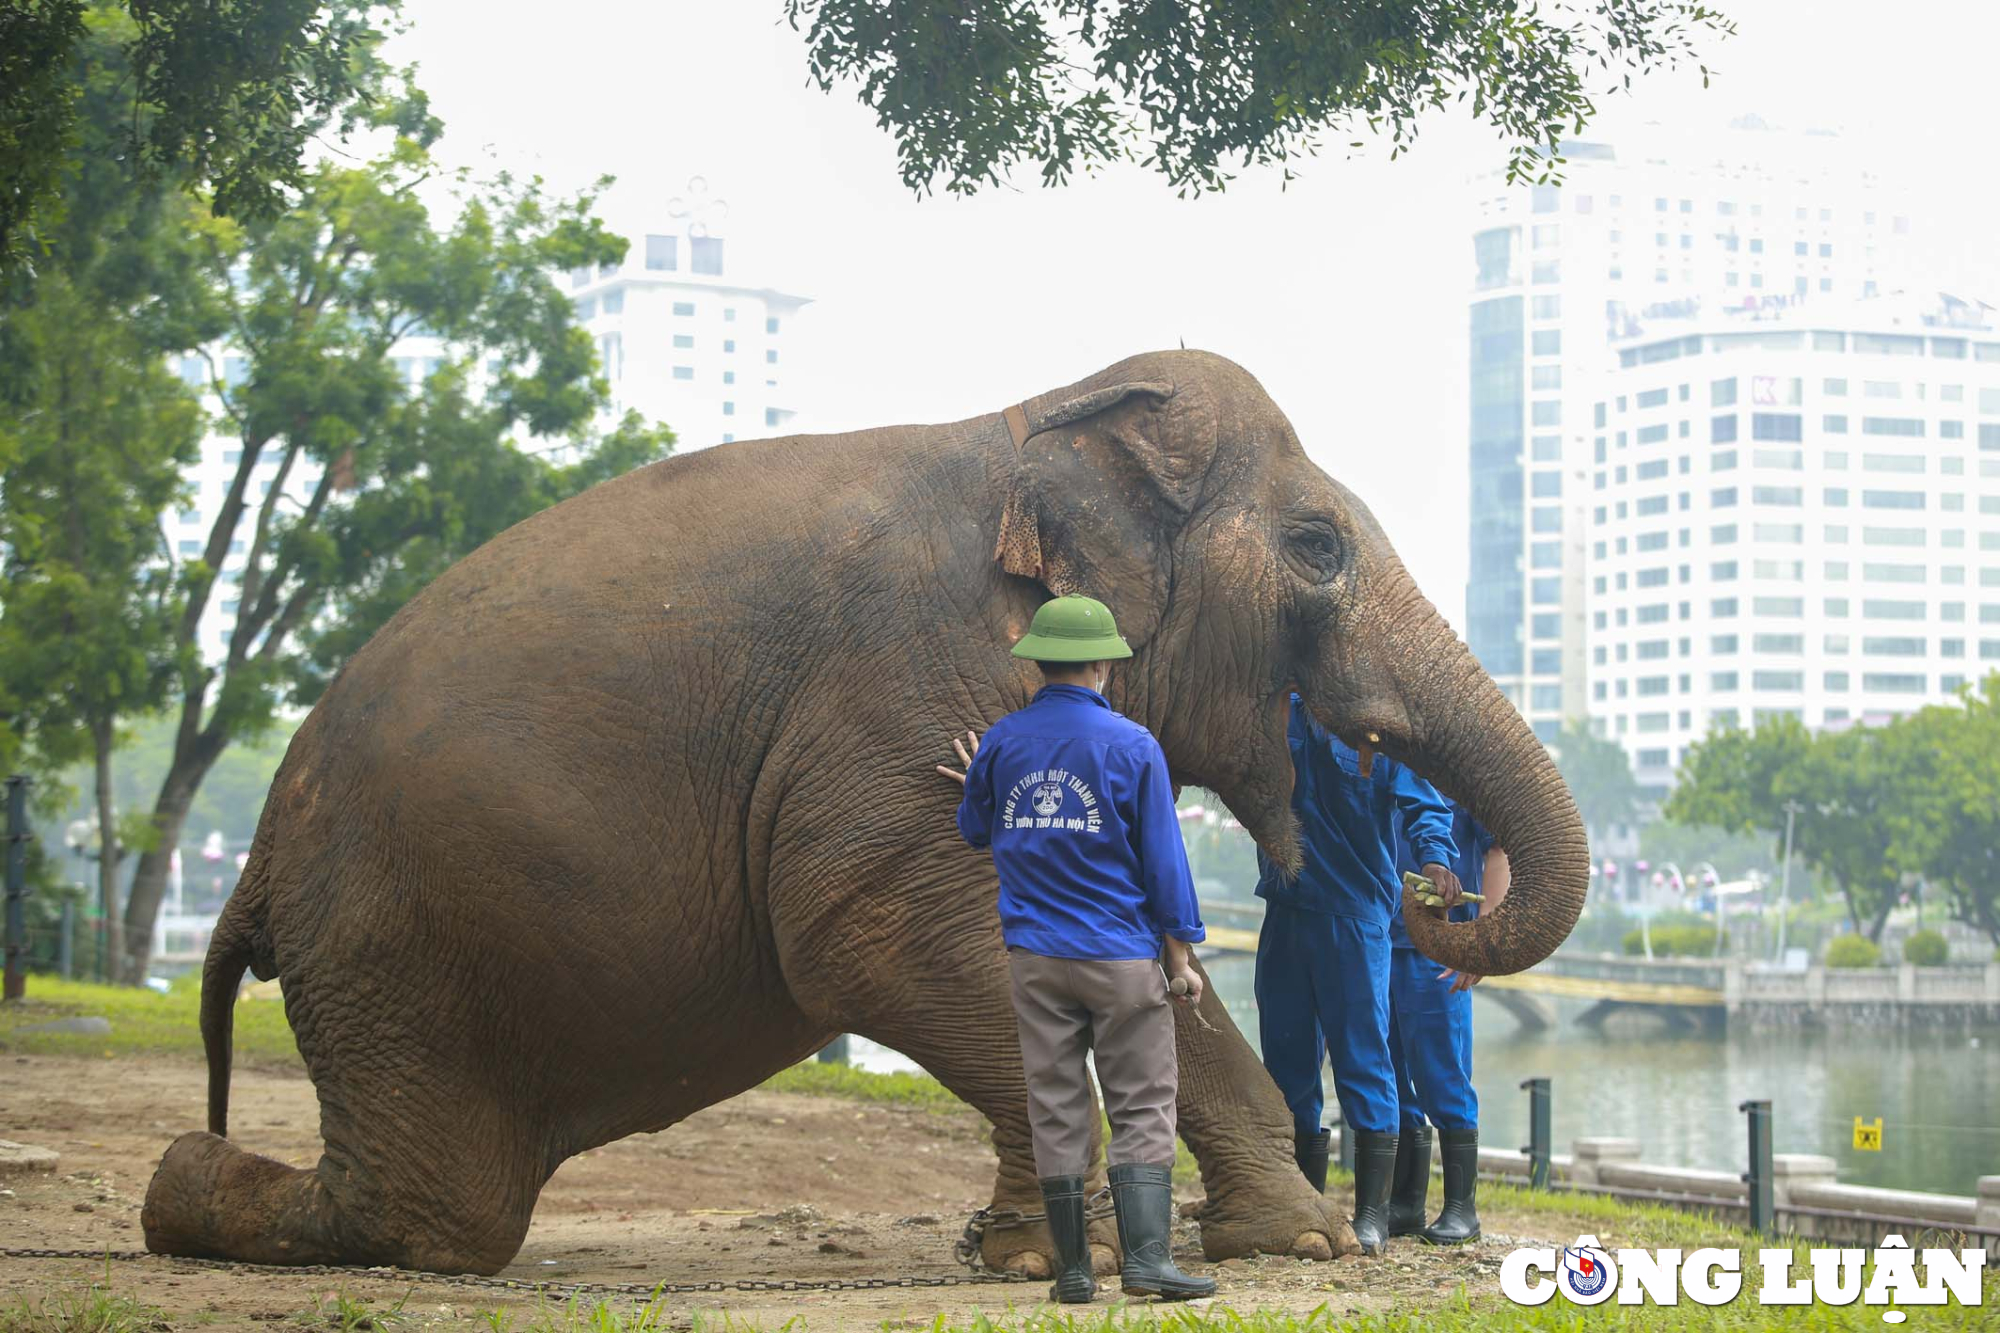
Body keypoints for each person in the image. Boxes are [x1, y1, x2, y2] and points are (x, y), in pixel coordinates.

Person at [938, 594, 1216, 1304]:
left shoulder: (1001, 742)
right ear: (1103, 665)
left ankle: (1071, 1270)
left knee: (1056, 1106)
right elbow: (1165, 862)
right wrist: (1179, 954)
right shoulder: (1131, 745)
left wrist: (980, 777)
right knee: (1143, 1102)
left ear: (1036, 663)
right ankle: (1149, 1259)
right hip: (1119, 956)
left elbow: (976, 830)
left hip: (1034, 958)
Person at [1252, 694, 1460, 1256]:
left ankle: (1371, 1215)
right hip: (1286, 910)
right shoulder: (1280, 711)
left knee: (1363, 1060)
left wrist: (1436, 857)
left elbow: (1426, 804)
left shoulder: (1381, 729)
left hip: (1355, 918)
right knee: (1287, 1065)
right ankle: (1304, 1206)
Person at [1385, 799, 1509, 1246]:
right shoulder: (1383, 762)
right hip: (1377, 937)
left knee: (1442, 1072)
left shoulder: (1460, 769)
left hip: (1440, 945)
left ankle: (1461, 1207)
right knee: (1388, 1073)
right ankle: (1404, 1203)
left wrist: (1482, 937)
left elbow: (1498, 850)